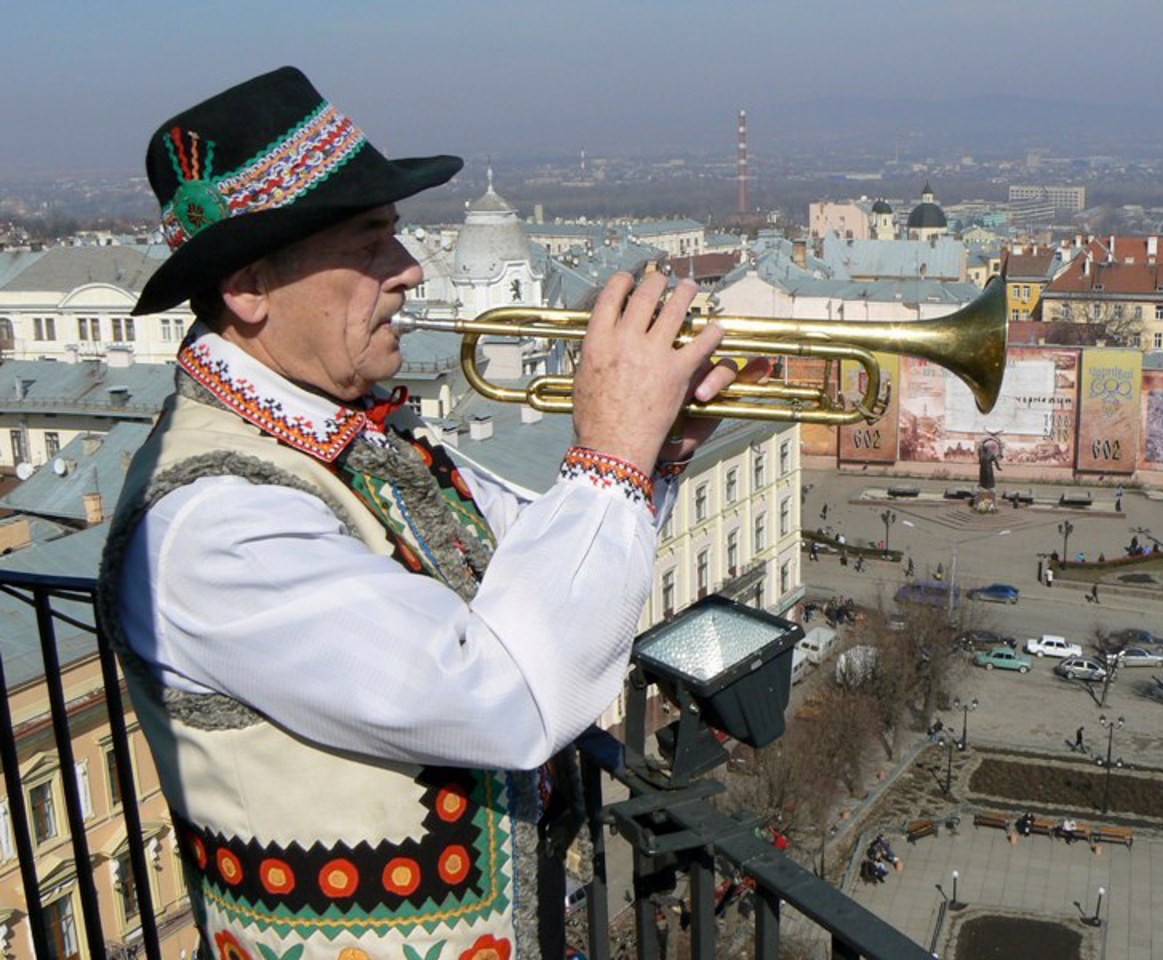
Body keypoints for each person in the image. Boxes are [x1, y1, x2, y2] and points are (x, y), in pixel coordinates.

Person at [97, 68, 767, 960]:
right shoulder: (214, 521)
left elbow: (528, 552)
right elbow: (500, 697)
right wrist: (611, 452)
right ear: (251, 288)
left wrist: (659, 450)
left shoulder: (346, 435)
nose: (411, 270)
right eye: (371, 242)